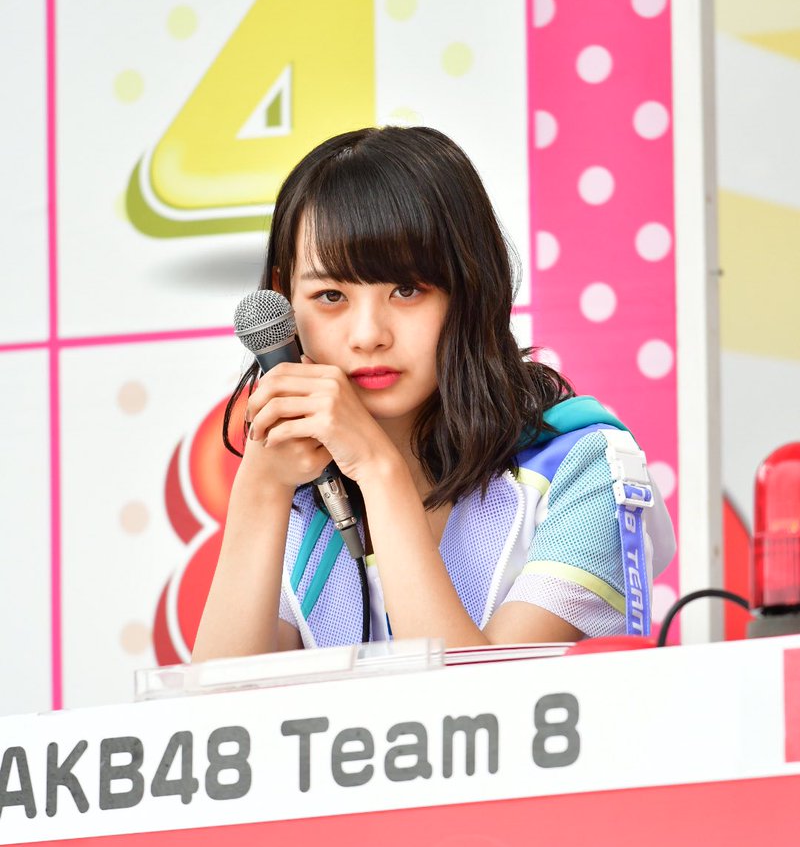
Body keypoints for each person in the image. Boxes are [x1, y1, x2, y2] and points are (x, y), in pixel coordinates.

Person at [192, 125, 675, 660]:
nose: (368, 335)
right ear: (284, 303)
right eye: (330, 295)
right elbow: (220, 706)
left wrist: (379, 470)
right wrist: (260, 490)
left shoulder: (582, 467)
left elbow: (480, 700)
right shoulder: (299, 491)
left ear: (469, 289)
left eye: (407, 290)